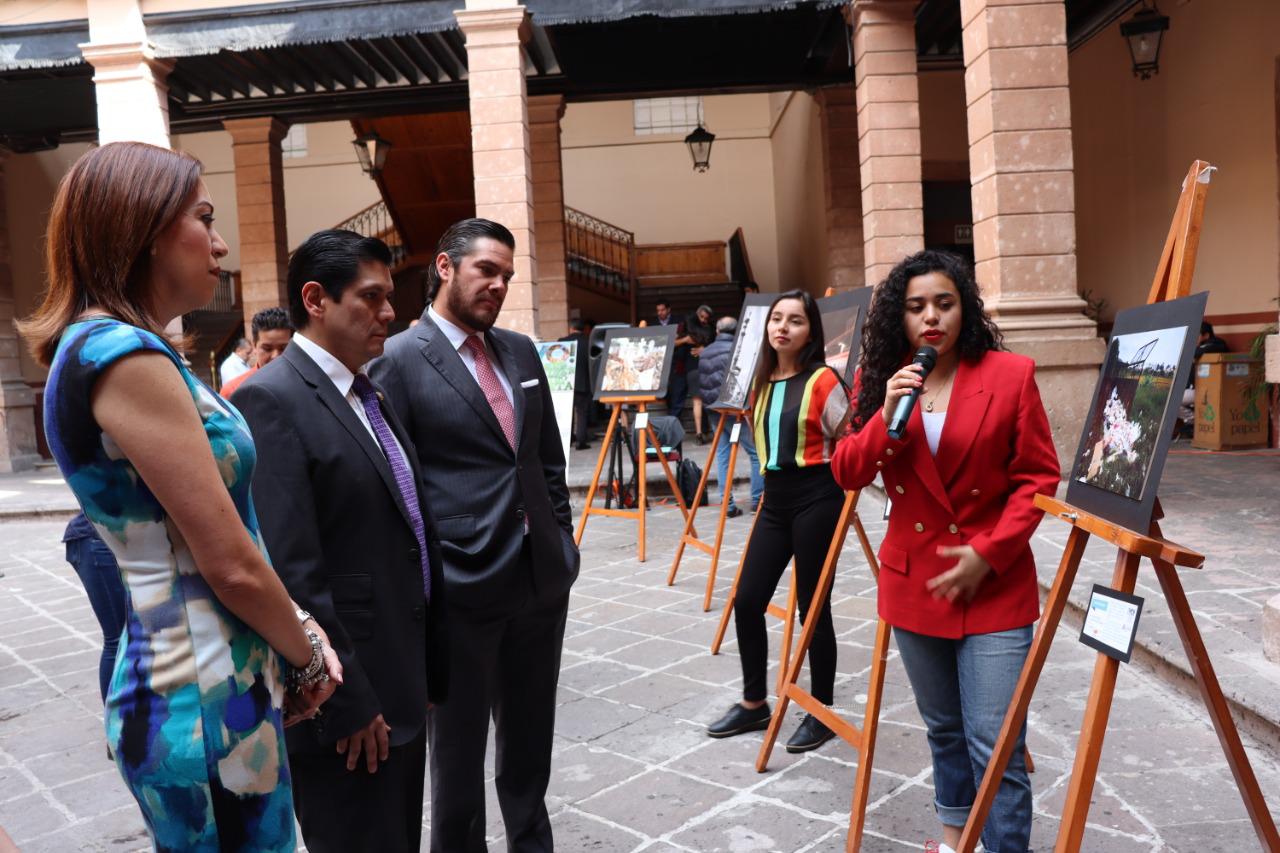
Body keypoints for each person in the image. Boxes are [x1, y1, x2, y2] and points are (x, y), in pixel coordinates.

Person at [21, 141, 340, 852]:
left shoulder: (126, 348)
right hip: (200, 700)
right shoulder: (122, 355)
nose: (221, 242)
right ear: (142, 227)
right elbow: (225, 558)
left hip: (207, 686)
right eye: (203, 217)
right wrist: (308, 653)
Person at [830, 250, 1059, 853]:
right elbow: (848, 472)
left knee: (997, 740)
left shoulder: (1010, 375)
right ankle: (956, 840)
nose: (931, 317)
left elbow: (1037, 478)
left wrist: (988, 552)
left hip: (995, 581)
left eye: (944, 303)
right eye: (915, 307)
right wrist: (883, 417)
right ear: (898, 320)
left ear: (964, 307)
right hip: (915, 582)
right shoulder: (881, 379)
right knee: (945, 731)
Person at [232, 230, 449, 853]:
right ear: (316, 300)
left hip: (398, 682)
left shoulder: (365, 388)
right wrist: (343, 697)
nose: (390, 313)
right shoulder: (270, 399)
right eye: (371, 297)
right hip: (348, 704)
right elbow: (293, 572)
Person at [369, 218, 578, 852]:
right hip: (459, 587)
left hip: (539, 579)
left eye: (507, 276)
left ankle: (531, 843)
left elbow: (545, 460)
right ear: (444, 267)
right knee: (456, 754)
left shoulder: (519, 351)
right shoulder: (397, 360)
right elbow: (393, 484)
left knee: (530, 736)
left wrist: (561, 542)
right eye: (486, 270)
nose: (498, 285)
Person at [706, 290, 850, 753]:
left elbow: (848, 440)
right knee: (747, 600)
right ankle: (755, 704)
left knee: (813, 608)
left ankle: (821, 710)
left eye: (795, 321)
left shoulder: (825, 380)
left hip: (818, 497)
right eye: (777, 319)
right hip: (774, 501)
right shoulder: (761, 382)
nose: (783, 327)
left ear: (811, 332)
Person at [696, 316, 763, 517]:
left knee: (723, 455)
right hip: (736, 411)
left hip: (715, 410)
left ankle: (728, 504)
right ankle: (757, 501)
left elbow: (704, 382)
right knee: (755, 453)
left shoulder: (705, 352)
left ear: (717, 331)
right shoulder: (739, 351)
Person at [62, 513, 127, 704]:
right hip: (96, 541)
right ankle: (115, 720)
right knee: (118, 638)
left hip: (104, 539)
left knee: (125, 637)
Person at [218, 306, 293, 399]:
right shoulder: (233, 391)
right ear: (254, 346)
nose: (275, 356)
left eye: (283, 348)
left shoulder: (306, 385)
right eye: (267, 348)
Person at [559, 317, 593, 450]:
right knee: (582, 412)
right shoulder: (587, 342)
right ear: (583, 329)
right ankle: (580, 440)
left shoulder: (562, 342)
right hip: (582, 383)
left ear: (571, 328)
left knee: (567, 413)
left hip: (565, 382)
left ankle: (568, 440)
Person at [655, 300, 691, 419]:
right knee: (667, 393)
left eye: (663, 310)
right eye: (658, 310)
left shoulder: (679, 321)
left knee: (678, 391)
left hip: (677, 362)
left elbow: (687, 338)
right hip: (661, 363)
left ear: (668, 309)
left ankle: (673, 420)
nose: (660, 313)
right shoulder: (654, 324)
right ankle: (672, 419)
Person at [686, 304, 715, 443]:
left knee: (697, 402)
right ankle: (710, 431)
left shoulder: (688, 328)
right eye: (702, 317)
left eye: (706, 318)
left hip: (694, 367)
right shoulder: (711, 332)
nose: (704, 320)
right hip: (704, 366)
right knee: (708, 400)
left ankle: (699, 433)